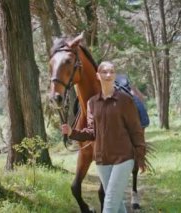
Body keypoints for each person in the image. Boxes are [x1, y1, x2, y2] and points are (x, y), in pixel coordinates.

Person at [61, 61, 147, 213]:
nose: (108, 74)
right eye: (104, 72)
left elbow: (136, 130)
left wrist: (139, 156)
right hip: (102, 161)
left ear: (114, 75)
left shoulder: (125, 100)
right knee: (117, 204)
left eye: (112, 71)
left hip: (123, 158)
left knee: (109, 204)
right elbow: (91, 132)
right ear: (97, 76)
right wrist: (71, 132)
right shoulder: (92, 103)